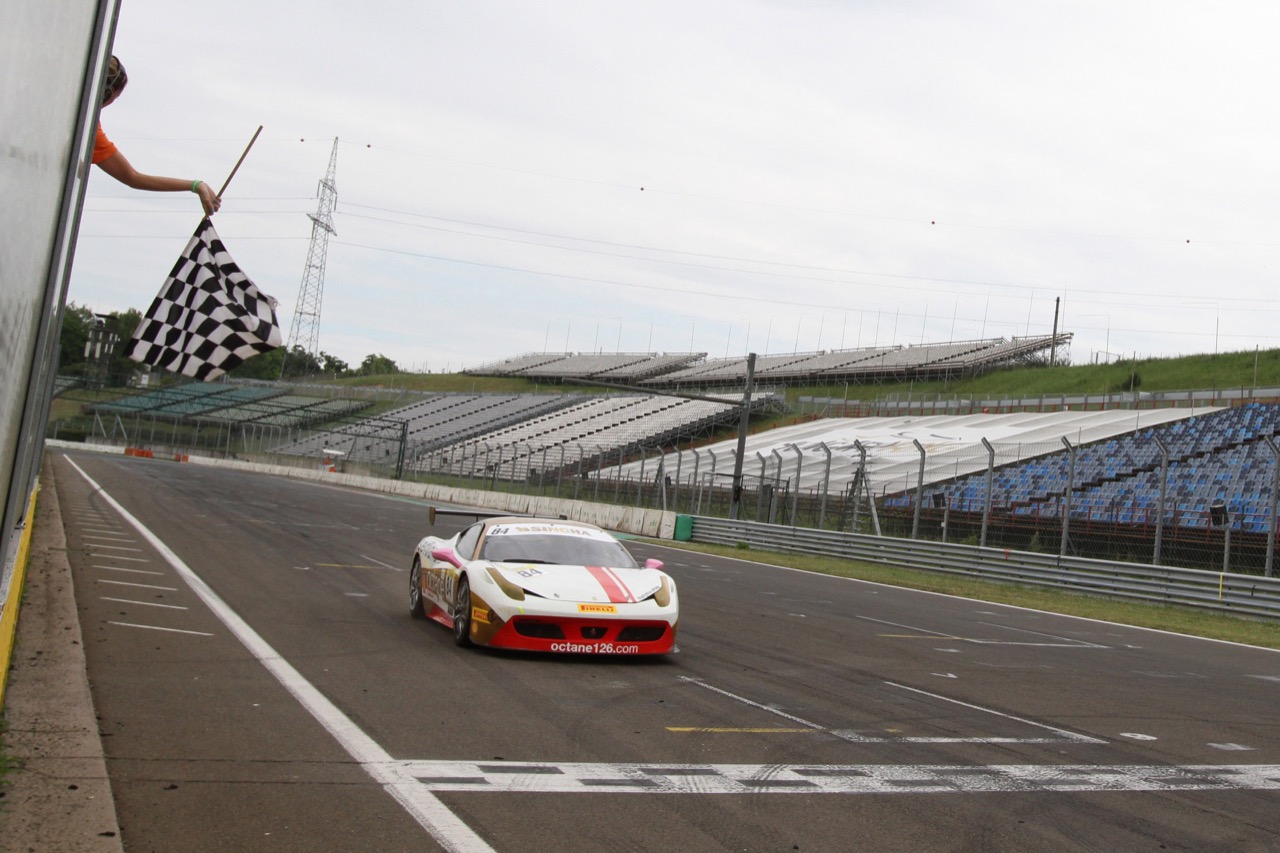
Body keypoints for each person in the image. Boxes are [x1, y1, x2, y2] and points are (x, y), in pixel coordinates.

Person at [93, 56, 220, 216]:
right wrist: (194, 185)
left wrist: (195, 185)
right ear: (106, 92)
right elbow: (133, 178)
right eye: (115, 98)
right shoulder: (91, 132)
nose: (112, 102)